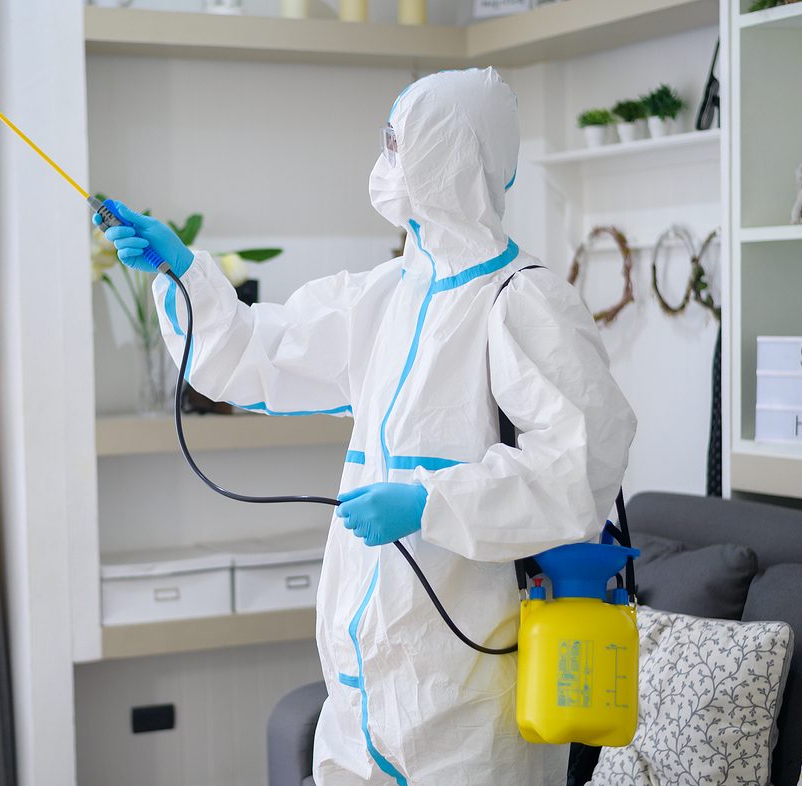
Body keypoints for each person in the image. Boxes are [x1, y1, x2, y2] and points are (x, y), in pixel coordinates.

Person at [104, 67, 637, 786]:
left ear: (447, 155)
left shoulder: (522, 301)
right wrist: (182, 274)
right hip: (360, 694)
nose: (385, 161)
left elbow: (580, 465)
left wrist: (431, 503)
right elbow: (255, 357)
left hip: (468, 703)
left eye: (398, 142)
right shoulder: (384, 296)